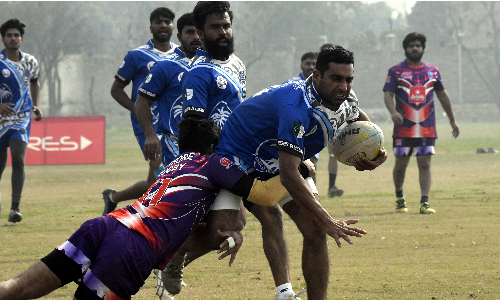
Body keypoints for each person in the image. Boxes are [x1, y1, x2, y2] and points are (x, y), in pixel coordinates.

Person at [0, 118, 314, 300]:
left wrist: (232, 233)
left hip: (104, 225)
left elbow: (202, 221)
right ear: (212, 147)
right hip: (132, 250)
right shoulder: (214, 163)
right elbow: (263, 194)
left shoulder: (173, 165)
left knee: (17, 288)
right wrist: (296, 171)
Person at [169, 45, 386, 300]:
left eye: (349, 79)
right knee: (221, 233)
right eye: (336, 78)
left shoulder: (344, 98)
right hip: (238, 156)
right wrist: (328, 219)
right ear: (316, 76)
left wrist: (371, 149)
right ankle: (171, 250)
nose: (344, 86)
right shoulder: (296, 107)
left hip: (277, 160)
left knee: (315, 230)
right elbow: (289, 175)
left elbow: (356, 118)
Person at [133, 13, 201, 300]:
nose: (195, 37)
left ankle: (169, 263)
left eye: (199, 32)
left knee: (218, 222)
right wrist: (150, 134)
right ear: (180, 35)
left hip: (208, 153)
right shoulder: (166, 67)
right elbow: (141, 101)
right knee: (172, 214)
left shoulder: (220, 67)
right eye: (189, 32)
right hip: (171, 149)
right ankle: (159, 264)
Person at [102, 7, 178, 216]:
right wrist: (136, 110)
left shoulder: (181, 55)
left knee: (154, 180)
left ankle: (113, 198)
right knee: (161, 171)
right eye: (159, 22)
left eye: (167, 22)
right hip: (146, 125)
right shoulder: (137, 56)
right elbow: (116, 89)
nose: (163, 25)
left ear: (173, 26)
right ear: (151, 26)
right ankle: (154, 218)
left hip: (172, 124)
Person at [383, 32, 459, 214]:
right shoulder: (396, 71)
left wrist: (452, 120)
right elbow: (388, 94)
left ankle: (425, 201)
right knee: (401, 165)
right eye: (411, 46)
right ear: (405, 49)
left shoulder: (432, 71)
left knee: (425, 164)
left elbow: (442, 95)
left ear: (423, 48)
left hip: (426, 128)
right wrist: (393, 112)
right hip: (404, 128)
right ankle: (399, 197)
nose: (415, 48)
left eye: (418, 45)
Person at [0, 19, 42, 223]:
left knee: (18, 158)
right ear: (3, 39)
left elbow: (35, 82)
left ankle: (15, 208)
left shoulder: (31, 62)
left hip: (21, 117)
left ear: (21, 38)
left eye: (16, 35)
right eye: (9, 35)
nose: (13, 38)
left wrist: (36, 105)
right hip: (0, 120)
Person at [320, 43, 344, 197]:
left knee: (333, 153)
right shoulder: (316, 75)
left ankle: (332, 187)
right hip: (313, 120)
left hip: (332, 120)